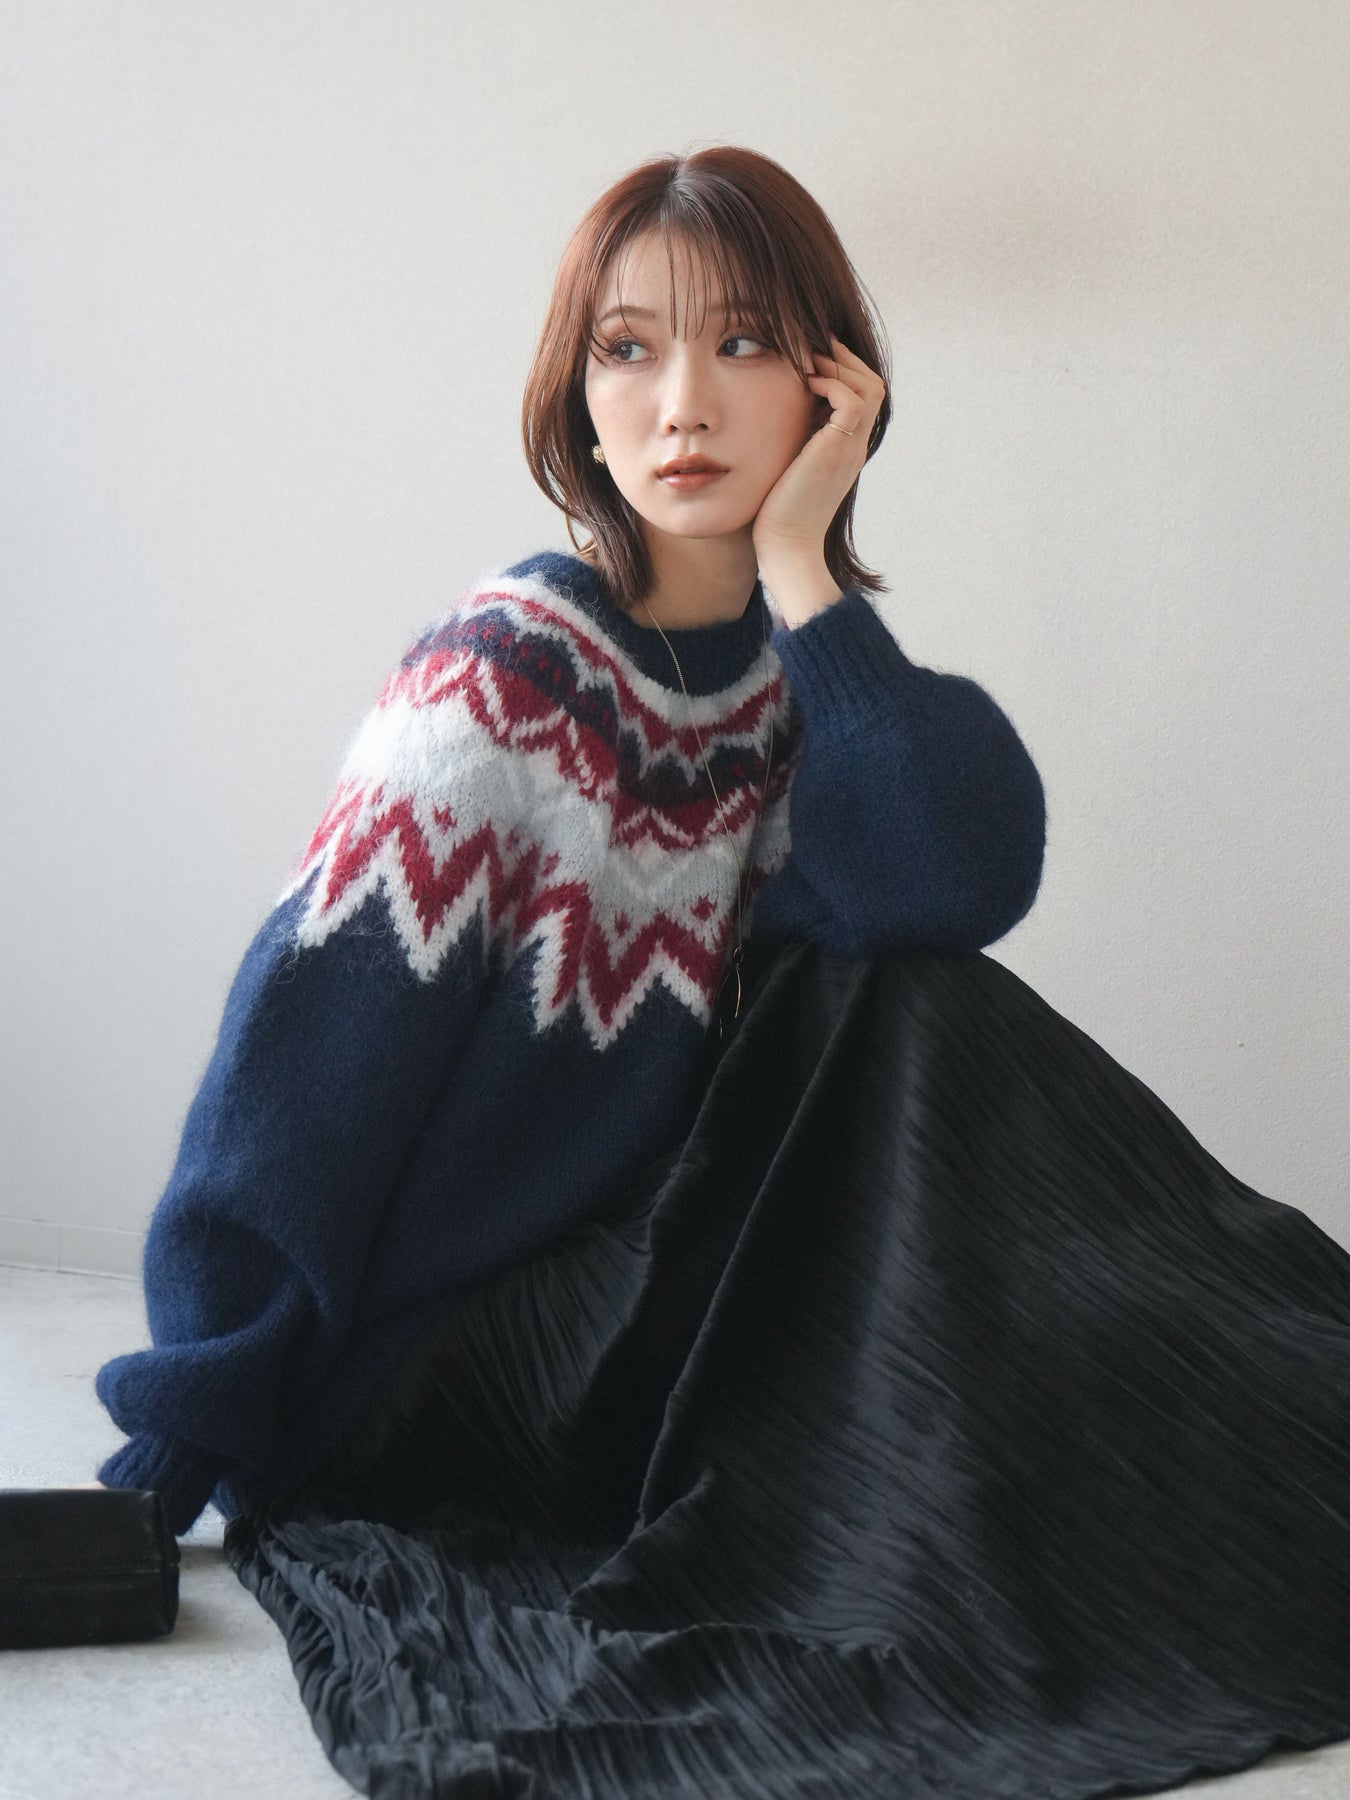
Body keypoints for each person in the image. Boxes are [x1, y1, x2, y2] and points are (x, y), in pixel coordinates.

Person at [92, 147, 1350, 1798]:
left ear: (830, 390)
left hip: (674, 1301)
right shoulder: (504, 673)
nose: (681, 401)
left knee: (914, 1004)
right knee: (905, 1028)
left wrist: (808, 568)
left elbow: (954, 883)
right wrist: (192, 1429)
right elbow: (297, 1078)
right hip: (472, 1363)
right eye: (627, 349)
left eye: (742, 343)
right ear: (576, 394)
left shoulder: (798, 688)